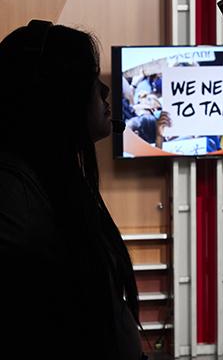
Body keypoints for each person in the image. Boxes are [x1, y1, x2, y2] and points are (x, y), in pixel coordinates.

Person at [0, 20, 144, 360]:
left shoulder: (44, 181)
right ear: (57, 95)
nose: (105, 92)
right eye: (91, 80)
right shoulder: (14, 194)